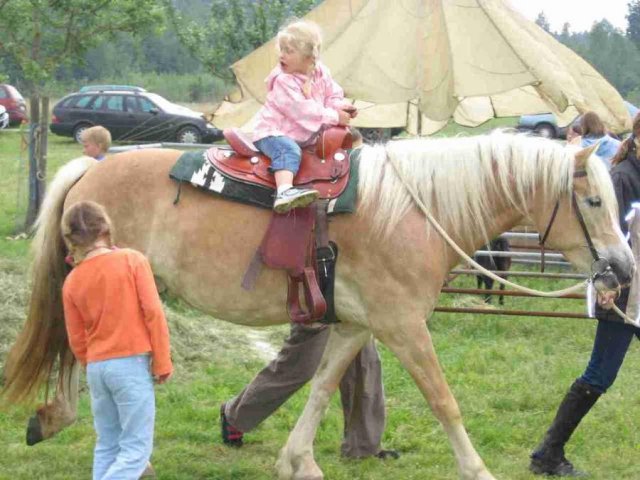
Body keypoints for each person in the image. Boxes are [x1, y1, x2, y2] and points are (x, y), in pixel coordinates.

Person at [529, 113, 640, 477]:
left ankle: (548, 452)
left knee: (599, 373)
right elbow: (598, 236)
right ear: (637, 139)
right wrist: (602, 284)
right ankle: (548, 452)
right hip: (622, 294)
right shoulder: (622, 179)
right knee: (600, 374)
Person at [61, 201, 173, 480]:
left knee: (107, 444)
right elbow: (153, 313)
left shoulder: (72, 281)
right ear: (105, 228)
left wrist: (92, 365)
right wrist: (162, 360)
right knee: (136, 450)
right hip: (131, 364)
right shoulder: (132, 260)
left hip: (98, 368)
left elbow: (77, 338)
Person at [220, 323, 398, 460]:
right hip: (317, 286)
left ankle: (363, 445)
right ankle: (235, 415)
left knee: (362, 360)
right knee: (300, 365)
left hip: (352, 290)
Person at [252, 19, 357, 214]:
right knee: (288, 150)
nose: (282, 55)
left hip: (301, 136)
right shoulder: (284, 81)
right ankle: (284, 191)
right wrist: (335, 117)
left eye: (289, 51)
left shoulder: (321, 73)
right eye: (281, 50)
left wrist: (343, 108)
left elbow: (332, 96)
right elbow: (303, 112)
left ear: (309, 57)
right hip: (272, 132)